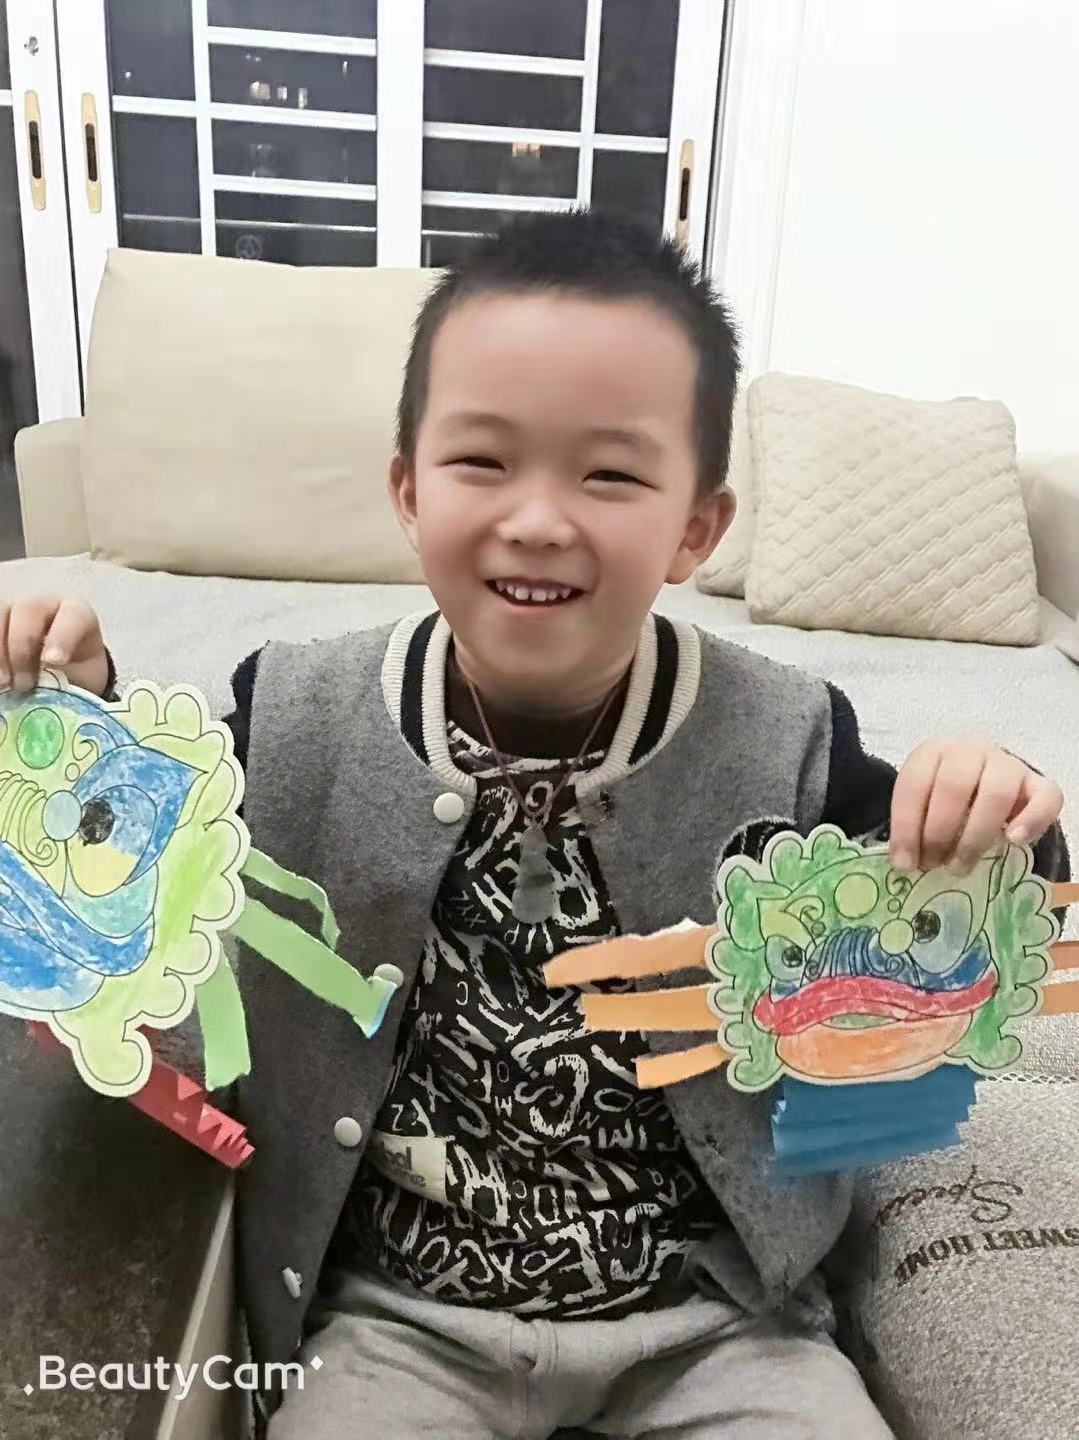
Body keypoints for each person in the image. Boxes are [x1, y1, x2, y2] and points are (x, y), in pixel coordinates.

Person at [1, 211, 1068, 1440]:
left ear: (695, 526)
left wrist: (991, 810)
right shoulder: (291, 713)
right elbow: (138, 850)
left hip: (720, 1321)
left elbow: (954, 916)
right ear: (407, 490)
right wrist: (78, 707)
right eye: (482, 461)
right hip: (396, 1319)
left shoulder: (786, 733)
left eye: (608, 475)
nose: (539, 519)